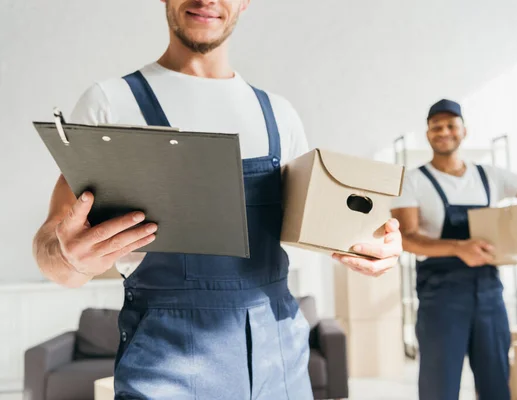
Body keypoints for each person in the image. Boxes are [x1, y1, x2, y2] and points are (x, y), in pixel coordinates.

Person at [31, 1, 403, 398]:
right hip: (165, 370)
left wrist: (369, 245)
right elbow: (52, 250)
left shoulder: (279, 115)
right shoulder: (109, 103)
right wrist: (70, 259)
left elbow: (320, 233)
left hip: (281, 368)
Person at [391, 99, 517, 400]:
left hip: (490, 295)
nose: (444, 131)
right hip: (441, 298)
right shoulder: (412, 181)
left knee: (496, 386)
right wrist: (459, 247)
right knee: (439, 389)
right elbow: (407, 238)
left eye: (451, 125)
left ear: (464, 131)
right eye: (436, 127)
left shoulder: (489, 176)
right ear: (427, 134)